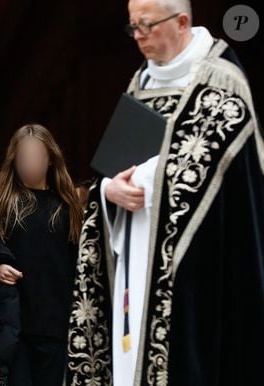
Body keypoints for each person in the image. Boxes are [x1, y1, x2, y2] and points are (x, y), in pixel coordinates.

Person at [66, 1, 264, 386]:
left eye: (146, 25)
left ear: (182, 22)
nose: (137, 36)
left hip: (199, 269)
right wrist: (108, 190)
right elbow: (111, 172)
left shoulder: (221, 83)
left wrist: (147, 180)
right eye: (132, 27)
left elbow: (225, 182)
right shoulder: (140, 85)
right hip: (133, 264)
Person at [0, 124, 84, 386]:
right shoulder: (1, 206)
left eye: (36, 155)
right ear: (14, 161)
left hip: (57, 326)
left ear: (50, 158)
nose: (30, 163)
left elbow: (82, 265)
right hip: (15, 328)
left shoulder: (67, 208)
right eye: (23, 157)